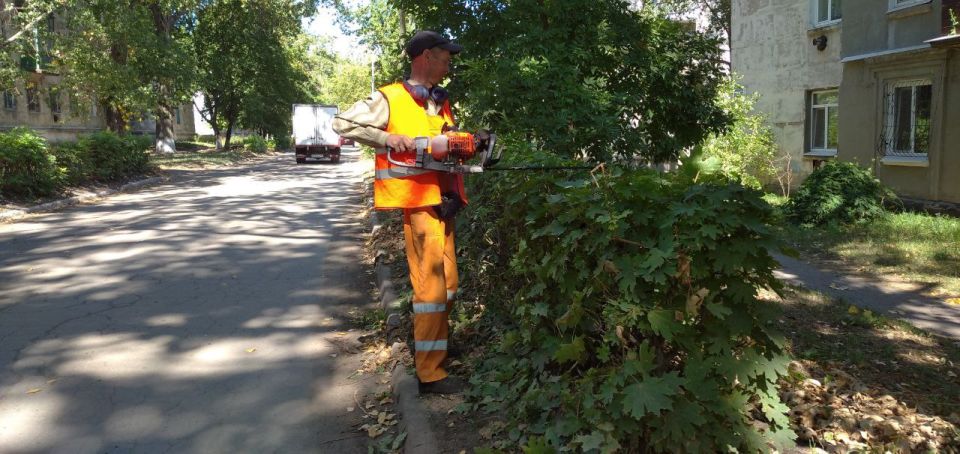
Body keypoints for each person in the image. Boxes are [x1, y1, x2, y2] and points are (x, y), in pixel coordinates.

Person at [332, 30, 466, 395]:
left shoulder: (438, 101)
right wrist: (386, 137)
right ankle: (430, 373)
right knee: (433, 289)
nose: (449, 63)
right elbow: (341, 122)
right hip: (418, 204)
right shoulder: (391, 98)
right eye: (444, 56)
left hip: (443, 201)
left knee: (448, 286)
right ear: (424, 57)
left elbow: (441, 148)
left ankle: (435, 340)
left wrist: (466, 147)